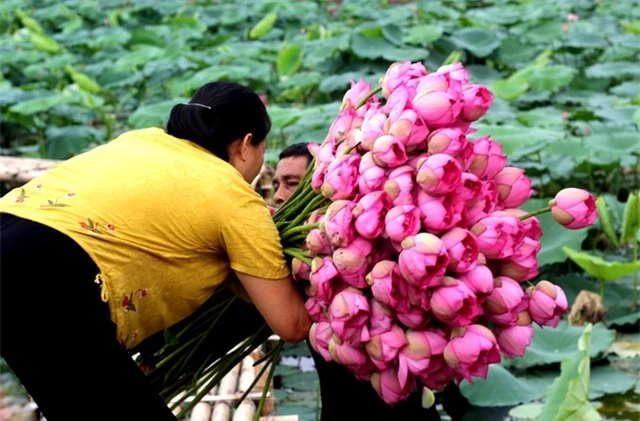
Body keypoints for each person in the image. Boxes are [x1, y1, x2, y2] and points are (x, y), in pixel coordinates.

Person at [0, 82, 311, 421]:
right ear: (247, 143)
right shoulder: (235, 198)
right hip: (49, 275)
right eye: (264, 149)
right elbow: (291, 324)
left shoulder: (142, 139)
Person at [273, 143, 449, 421]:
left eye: (290, 184)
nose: (280, 196)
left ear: (324, 187)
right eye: (276, 185)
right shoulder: (292, 266)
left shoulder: (393, 258)